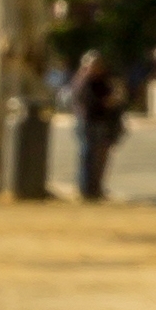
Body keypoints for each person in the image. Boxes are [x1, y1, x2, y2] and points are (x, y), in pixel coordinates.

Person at [66, 44, 128, 201]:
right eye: (93, 65)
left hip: (104, 123)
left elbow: (118, 99)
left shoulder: (106, 80)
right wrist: (106, 102)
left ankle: (96, 188)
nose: (96, 68)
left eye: (98, 64)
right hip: (88, 122)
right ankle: (85, 190)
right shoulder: (82, 81)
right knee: (87, 155)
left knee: (101, 157)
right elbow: (87, 103)